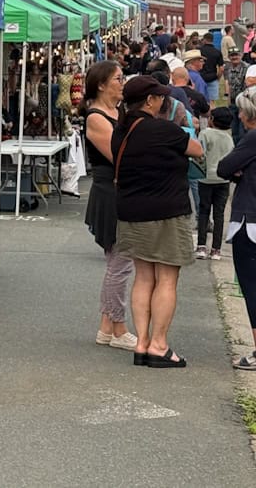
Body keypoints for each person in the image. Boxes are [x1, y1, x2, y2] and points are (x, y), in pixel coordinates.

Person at [111, 75, 202, 368]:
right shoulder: (164, 129)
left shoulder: (120, 131)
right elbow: (197, 150)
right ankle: (159, 345)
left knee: (143, 277)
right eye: (160, 97)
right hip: (167, 212)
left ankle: (141, 342)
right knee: (167, 278)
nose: (164, 100)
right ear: (149, 100)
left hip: (131, 212)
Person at [80, 60, 138, 351]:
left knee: (119, 262)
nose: (122, 83)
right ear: (101, 84)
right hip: (110, 191)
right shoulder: (95, 117)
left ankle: (106, 327)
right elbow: (120, 156)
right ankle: (118, 328)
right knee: (120, 263)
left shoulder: (120, 111)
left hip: (122, 189)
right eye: (118, 79)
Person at [218, 87, 256, 370]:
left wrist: (239, 171)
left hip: (250, 218)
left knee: (252, 286)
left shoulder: (252, 138)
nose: (239, 116)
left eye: (242, 111)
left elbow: (224, 167)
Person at [196, 106, 235, 261]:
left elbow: (200, 153)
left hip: (205, 178)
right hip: (223, 179)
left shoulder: (205, 134)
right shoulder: (229, 138)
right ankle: (216, 250)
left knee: (204, 212)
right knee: (219, 214)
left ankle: (201, 246)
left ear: (212, 120)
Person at [198, 37, 223, 103]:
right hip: (212, 77)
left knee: (200, 101)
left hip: (200, 77)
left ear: (205, 40)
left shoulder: (199, 51)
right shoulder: (217, 51)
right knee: (212, 102)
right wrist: (218, 78)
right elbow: (221, 68)